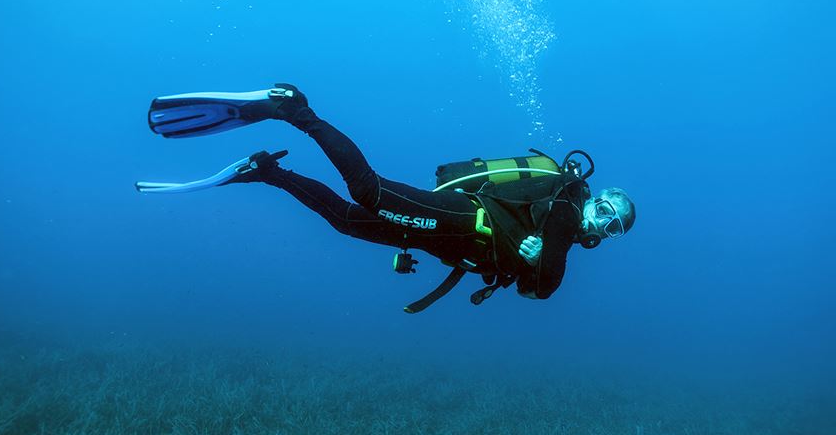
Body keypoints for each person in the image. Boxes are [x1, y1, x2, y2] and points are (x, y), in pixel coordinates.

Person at [137, 84, 636, 312]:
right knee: (368, 191)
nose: (605, 222)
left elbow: (533, 289)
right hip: (463, 218)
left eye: (614, 226)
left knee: (347, 222)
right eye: (608, 210)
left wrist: (531, 263)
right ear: (598, 197)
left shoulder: (562, 230)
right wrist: (539, 262)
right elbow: (547, 286)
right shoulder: (570, 201)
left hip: (449, 239)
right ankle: (295, 110)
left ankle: (268, 172)